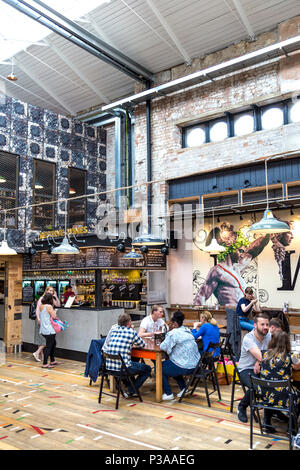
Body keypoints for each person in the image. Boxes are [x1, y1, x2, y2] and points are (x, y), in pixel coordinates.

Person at [259, 330, 300, 432]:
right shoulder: (290, 356)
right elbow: (297, 367)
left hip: (264, 393)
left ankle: (267, 423)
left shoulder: (264, 354)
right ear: (287, 342)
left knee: (271, 389)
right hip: (282, 395)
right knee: (298, 394)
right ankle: (292, 426)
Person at [104, 313, 151, 397]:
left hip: (108, 367)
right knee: (147, 369)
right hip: (123, 368)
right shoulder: (130, 332)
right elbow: (142, 344)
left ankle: (128, 386)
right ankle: (131, 390)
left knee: (132, 361)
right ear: (129, 323)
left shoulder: (114, 328)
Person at [237, 312, 271, 423]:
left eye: (267, 324)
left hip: (261, 367)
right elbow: (263, 356)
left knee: (274, 383)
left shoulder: (268, 335)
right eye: (262, 324)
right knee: (256, 386)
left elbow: (275, 351)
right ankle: (242, 407)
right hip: (245, 369)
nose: (266, 327)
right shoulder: (248, 338)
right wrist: (259, 359)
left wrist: (258, 361)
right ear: (255, 325)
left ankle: (273, 411)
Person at [159, 310, 200, 401]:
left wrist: (167, 335)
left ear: (175, 324)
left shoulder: (173, 333)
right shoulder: (188, 331)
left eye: (171, 324)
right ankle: (183, 388)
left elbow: (163, 346)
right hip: (195, 365)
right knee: (171, 365)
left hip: (184, 365)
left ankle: (168, 393)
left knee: (159, 367)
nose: (170, 326)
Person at [33, 286, 60, 362]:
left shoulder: (51, 299)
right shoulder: (42, 299)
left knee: (45, 339)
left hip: (47, 321)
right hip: (42, 320)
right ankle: (39, 354)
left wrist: (56, 297)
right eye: (50, 290)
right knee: (42, 339)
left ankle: (42, 356)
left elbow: (58, 305)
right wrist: (38, 319)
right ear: (46, 291)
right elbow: (37, 309)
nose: (51, 292)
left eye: (52, 291)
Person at [39, 293, 59, 369]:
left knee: (53, 344)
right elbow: (54, 316)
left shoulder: (41, 306)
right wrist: (54, 311)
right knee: (49, 346)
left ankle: (52, 360)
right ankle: (44, 363)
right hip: (49, 329)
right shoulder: (49, 306)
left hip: (43, 329)